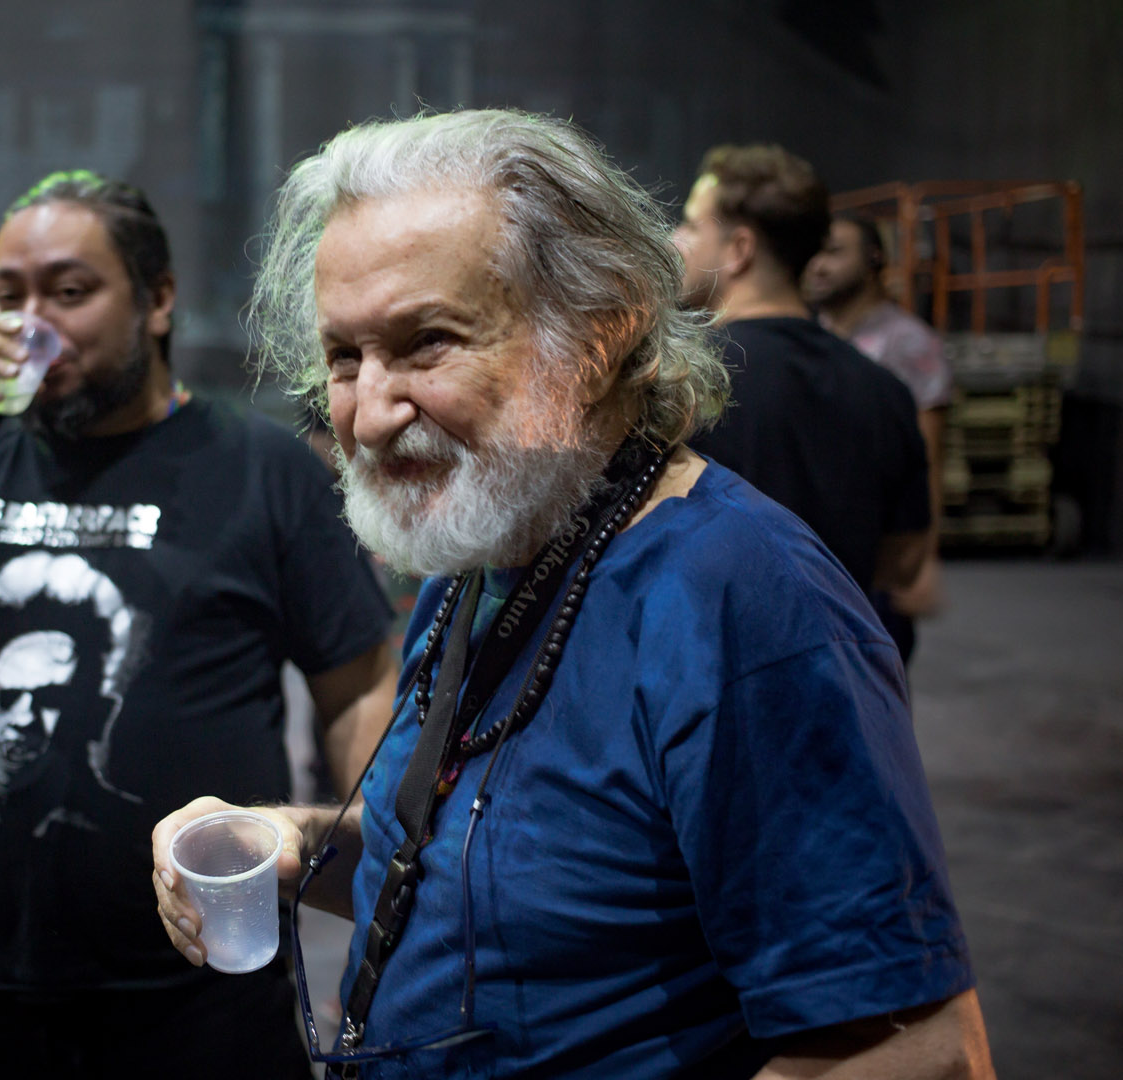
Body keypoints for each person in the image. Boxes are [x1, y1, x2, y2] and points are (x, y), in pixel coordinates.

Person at [150, 109, 994, 1078]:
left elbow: (922, 1051)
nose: (369, 414)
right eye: (345, 357)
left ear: (598, 334)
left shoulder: (744, 604)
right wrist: (291, 839)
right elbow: (468, 864)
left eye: (428, 342)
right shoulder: (487, 555)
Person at [0, 171, 399, 1079]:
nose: (33, 323)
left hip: (204, 986)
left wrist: (372, 880)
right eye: (8, 296)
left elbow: (358, 683)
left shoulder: (261, 468)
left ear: (158, 299)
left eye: (68, 291)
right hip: (4, 988)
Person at [677, 145, 932, 615]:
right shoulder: (884, 389)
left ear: (739, 250)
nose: (676, 240)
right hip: (840, 648)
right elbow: (905, 563)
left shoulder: (682, 382)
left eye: (692, 226)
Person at [805, 215, 953, 642]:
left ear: (873, 260)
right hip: (817, 549)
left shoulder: (907, 343)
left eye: (835, 252)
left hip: (878, 556)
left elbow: (929, 456)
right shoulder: (811, 336)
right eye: (815, 252)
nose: (818, 265)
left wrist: (924, 559)